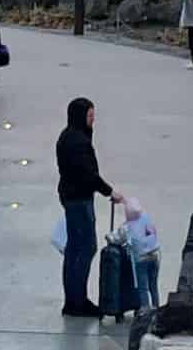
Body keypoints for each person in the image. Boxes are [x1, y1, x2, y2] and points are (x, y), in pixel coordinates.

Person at [55, 96, 120, 318]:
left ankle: (73, 299)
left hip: (71, 197)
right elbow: (88, 175)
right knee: (85, 248)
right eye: (90, 116)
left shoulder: (68, 137)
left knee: (74, 249)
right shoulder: (78, 142)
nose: (92, 121)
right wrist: (109, 191)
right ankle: (77, 301)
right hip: (79, 200)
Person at [120, 198, 160, 311]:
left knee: (143, 287)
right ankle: (156, 307)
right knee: (153, 286)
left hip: (140, 260)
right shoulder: (146, 219)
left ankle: (145, 310)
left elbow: (118, 237)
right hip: (154, 257)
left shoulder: (127, 226)